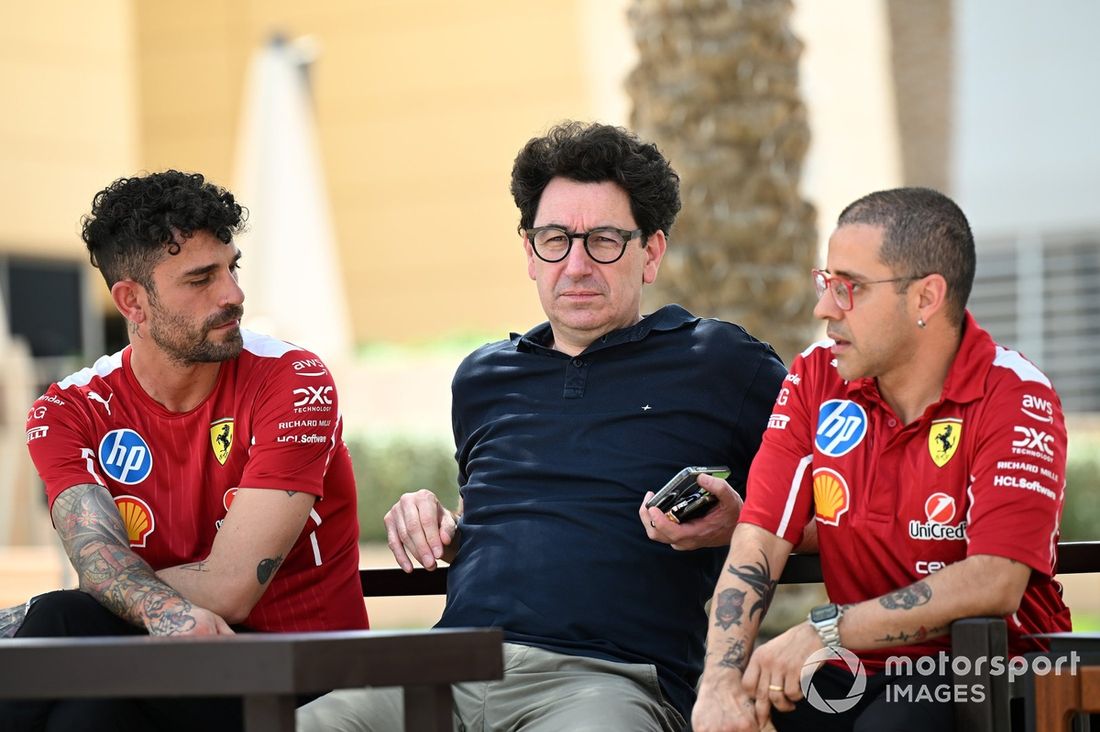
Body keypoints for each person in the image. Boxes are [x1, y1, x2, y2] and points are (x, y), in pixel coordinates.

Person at [298, 122, 787, 731]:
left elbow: (840, 502)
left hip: (606, 682)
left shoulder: (722, 363)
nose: (576, 265)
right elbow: (520, 517)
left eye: (605, 240)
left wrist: (737, 524)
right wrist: (445, 528)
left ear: (652, 252)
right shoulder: (482, 377)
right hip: (445, 667)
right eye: (555, 239)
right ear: (530, 252)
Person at [692, 187, 1072, 732]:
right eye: (826, 283)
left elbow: (995, 580)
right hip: (857, 668)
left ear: (925, 298)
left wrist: (823, 630)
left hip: (994, 666)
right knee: (740, 710)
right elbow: (759, 539)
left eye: (850, 288)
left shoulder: (1014, 394)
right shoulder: (815, 378)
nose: (825, 307)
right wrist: (720, 686)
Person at [0, 170, 368, 732]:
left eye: (232, 268)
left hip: (301, 672)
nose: (234, 295)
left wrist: (69, 607)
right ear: (132, 301)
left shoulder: (294, 380)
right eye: (201, 279)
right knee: (88, 710)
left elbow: (229, 590)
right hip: (152, 663)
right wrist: (127, 598)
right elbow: (95, 557)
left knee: (63, 624)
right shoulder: (66, 411)